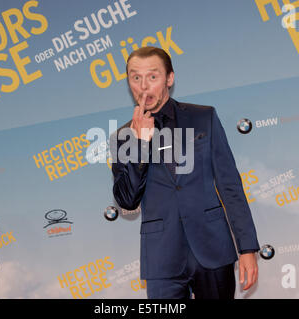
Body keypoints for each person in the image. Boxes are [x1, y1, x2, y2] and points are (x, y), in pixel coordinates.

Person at [110, 46, 260, 299]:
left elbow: (230, 185)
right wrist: (141, 145)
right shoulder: (122, 137)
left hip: (213, 249)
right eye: (136, 78)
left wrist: (247, 248)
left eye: (153, 77)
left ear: (169, 78)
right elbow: (127, 199)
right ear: (128, 82)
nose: (144, 86)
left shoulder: (204, 118)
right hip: (161, 259)